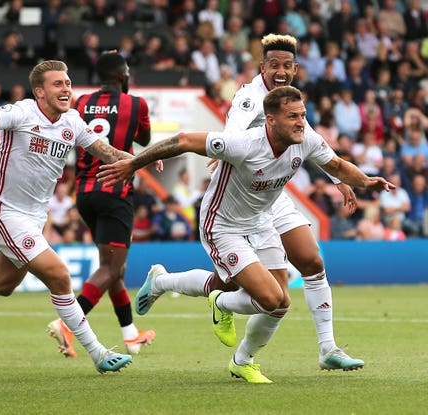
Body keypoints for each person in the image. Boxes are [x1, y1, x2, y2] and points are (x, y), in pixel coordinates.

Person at [97, 86, 393, 383]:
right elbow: (184, 140)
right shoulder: (243, 144)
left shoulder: (306, 141)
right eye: (292, 116)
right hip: (222, 226)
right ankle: (217, 302)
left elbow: (338, 165)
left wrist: (367, 182)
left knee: (281, 304)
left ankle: (241, 360)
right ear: (271, 120)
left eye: (303, 115)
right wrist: (134, 164)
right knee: (269, 298)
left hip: (261, 222)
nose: (301, 122)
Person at [131, 34, 367, 373]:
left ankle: (325, 348)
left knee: (310, 264)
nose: (281, 71)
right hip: (240, 196)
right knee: (242, 289)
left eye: (287, 65)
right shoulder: (249, 98)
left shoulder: (290, 103)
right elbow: (235, 133)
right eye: (275, 65)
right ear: (263, 67)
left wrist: (340, 179)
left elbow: (313, 142)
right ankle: (170, 284)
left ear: (296, 68)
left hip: (271, 194)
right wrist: (225, 150)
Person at [0, 60, 134, 374]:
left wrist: (142, 160)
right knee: (59, 276)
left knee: (2, 284)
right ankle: (98, 353)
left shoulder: (72, 121)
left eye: (68, 82)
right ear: (39, 92)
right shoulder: (21, 113)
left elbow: (108, 152)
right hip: (6, 213)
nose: (66, 88)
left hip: (32, 218)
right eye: (58, 84)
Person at [46, 52, 156, 358]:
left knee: (114, 269)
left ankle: (131, 335)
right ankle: (67, 323)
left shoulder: (80, 102)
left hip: (85, 194)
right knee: (111, 266)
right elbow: (144, 139)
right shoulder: (136, 104)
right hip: (115, 193)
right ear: (123, 76)